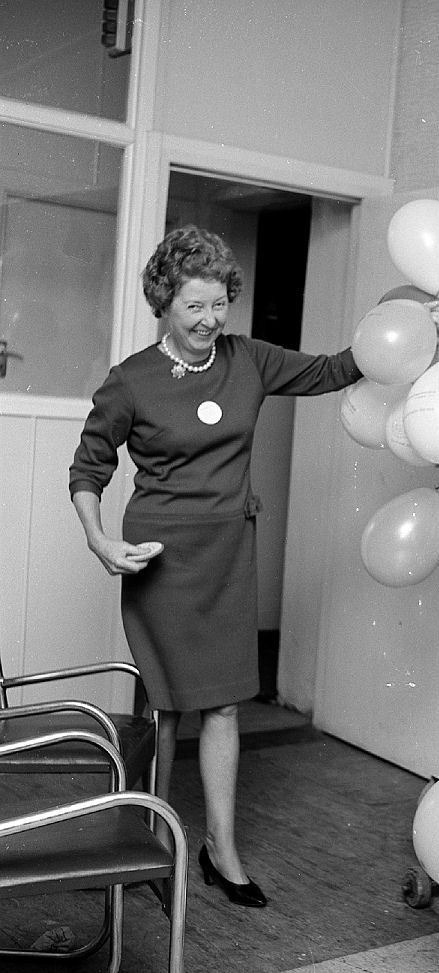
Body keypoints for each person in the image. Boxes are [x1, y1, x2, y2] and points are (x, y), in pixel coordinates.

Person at [69, 225, 363, 909]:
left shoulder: (249, 359)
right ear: (164, 303)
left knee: (226, 700)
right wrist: (99, 540)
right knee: (169, 705)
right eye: (194, 306)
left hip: (230, 551)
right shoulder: (132, 379)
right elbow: (88, 467)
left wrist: (407, 333)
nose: (210, 319)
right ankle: (144, 840)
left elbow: (332, 370)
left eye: (220, 303)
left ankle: (219, 849)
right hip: (160, 558)